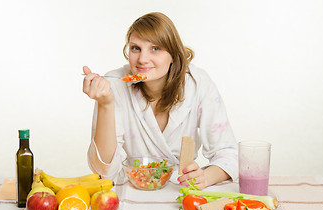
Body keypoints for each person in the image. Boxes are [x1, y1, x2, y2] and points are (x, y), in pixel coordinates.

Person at [82, 12, 238, 189]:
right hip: (134, 191)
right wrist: (105, 104)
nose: (142, 59)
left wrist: (206, 177)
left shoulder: (198, 83)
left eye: (155, 48)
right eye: (135, 48)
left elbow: (228, 154)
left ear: (173, 54)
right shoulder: (113, 86)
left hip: (181, 190)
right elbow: (104, 171)